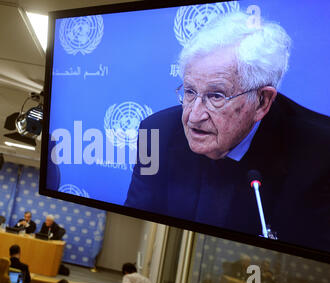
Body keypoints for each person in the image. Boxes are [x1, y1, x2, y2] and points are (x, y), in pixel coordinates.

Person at [125, 11, 330, 252]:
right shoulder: (156, 133)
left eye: (216, 96)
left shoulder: (320, 155)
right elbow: (138, 218)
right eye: (190, 92)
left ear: (262, 101)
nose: (193, 116)